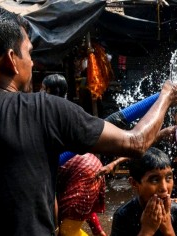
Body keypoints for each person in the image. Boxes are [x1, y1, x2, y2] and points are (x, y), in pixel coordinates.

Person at [0, 4, 177, 235]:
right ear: (11, 59)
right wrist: (167, 96)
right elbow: (136, 142)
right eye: (29, 53)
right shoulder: (42, 110)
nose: (31, 62)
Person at [41, 74, 127, 236]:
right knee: (74, 214)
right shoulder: (69, 109)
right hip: (89, 166)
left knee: (66, 232)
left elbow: (51, 197)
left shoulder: (46, 114)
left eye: (42, 88)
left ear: (47, 89)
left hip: (78, 169)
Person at [110, 147, 177, 236]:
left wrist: (168, 229)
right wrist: (147, 231)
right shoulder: (123, 215)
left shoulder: (176, 211)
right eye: (155, 180)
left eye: (168, 178)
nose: (164, 188)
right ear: (134, 183)